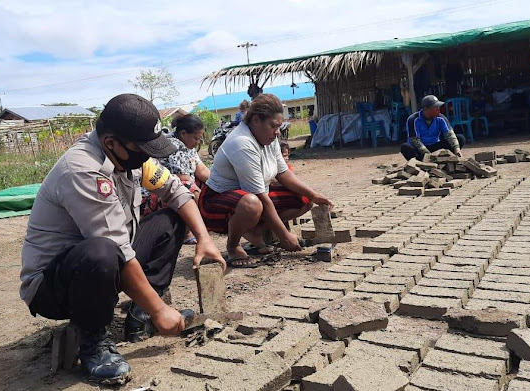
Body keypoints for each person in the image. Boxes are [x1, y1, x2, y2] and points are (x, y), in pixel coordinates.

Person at [20, 94, 225, 385]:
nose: (147, 156)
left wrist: (204, 239)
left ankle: (141, 317)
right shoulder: (83, 169)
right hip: (55, 285)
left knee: (171, 218)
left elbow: (176, 192)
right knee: (101, 251)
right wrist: (162, 309)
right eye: (142, 149)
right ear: (112, 142)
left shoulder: (130, 159)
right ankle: (93, 343)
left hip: (110, 261)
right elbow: (115, 247)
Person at [198, 94, 332, 267]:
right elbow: (260, 196)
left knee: (303, 199)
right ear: (255, 120)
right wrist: (284, 236)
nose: (277, 132)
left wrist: (314, 195)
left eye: (279, 126)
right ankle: (233, 246)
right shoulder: (242, 143)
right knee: (252, 205)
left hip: (252, 197)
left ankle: (256, 233)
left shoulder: (270, 138)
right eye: (273, 126)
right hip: (216, 202)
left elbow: (283, 173)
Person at [141, 114, 210, 244]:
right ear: (183, 133)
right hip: (157, 194)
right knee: (190, 189)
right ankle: (187, 232)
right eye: (196, 138)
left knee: (205, 185)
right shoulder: (174, 145)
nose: (197, 143)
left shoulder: (189, 147)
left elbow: (202, 171)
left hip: (173, 188)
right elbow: (183, 178)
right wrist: (204, 199)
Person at [400, 95, 465, 161]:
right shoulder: (413, 119)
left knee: (460, 138)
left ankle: (442, 159)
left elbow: (450, 134)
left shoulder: (441, 118)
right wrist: (428, 155)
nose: (438, 109)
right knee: (405, 147)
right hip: (420, 149)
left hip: (435, 146)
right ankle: (420, 162)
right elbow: (415, 140)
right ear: (426, 109)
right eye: (435, 107)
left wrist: (457, 150)